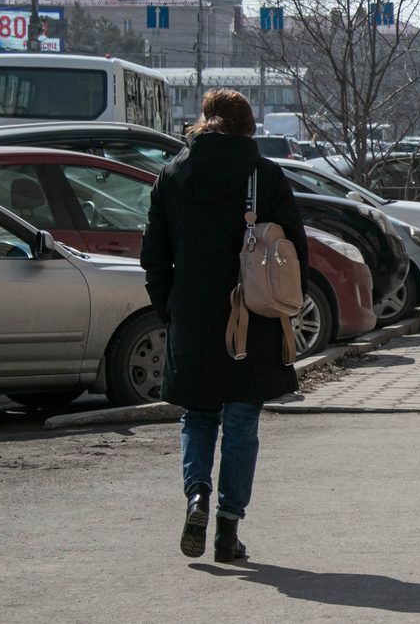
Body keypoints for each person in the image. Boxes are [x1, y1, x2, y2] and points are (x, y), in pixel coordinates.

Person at [140, 88, 309, 563]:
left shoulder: (172, 175)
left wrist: (168, 308)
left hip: (191, 316)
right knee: (240, 421)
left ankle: (197, 496)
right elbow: (294, 247)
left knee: (197, 414)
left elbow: (153, 254)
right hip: (250, 315)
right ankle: (227, 530)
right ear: (248, 126)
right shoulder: (266, 175)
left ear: (204, 122)